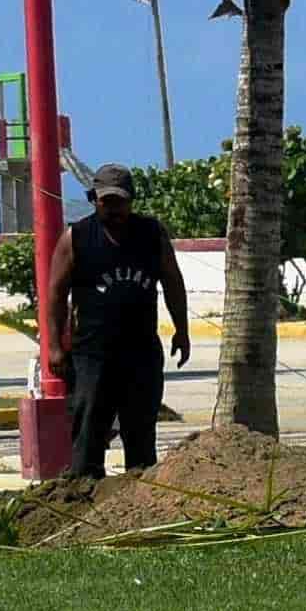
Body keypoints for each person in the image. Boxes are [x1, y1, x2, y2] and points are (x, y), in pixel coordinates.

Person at [49, 164, 189, 482]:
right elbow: (55, 294)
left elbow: (173, 282)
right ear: (94, 200)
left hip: (141, 352)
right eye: (106, 201)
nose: (114, 209)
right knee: (88, 429)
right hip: (92, 355)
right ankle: (83, 489)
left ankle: (137, 497)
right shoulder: (77, 237)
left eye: (120, 201)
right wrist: (56, 346)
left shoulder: (151, 234)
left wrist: (182, 331)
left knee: (140, 431)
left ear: (132, 200)